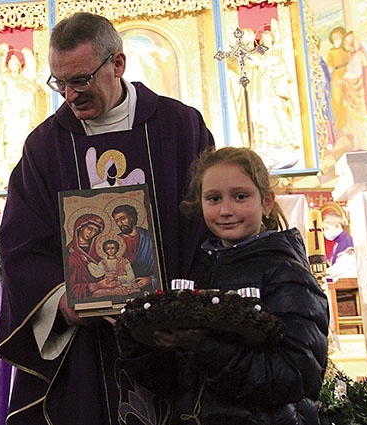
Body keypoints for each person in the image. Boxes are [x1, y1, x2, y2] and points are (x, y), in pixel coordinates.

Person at [0, 12, 214, 424]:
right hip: (86, 347)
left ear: (117, 64)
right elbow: (21, 244)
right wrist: (60, 299)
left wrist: (184, 306)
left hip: (177, 334)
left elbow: (206, 225)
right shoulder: (45, 147)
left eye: (80, 81)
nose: (70, 96)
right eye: (59, 83)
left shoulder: (180, 127)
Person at [118, 147, 329, 424]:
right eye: (213, 199)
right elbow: (173, 380)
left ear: (266, 202)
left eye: (240, 197)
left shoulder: (286, 273)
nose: (226, 210)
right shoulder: (200, 269)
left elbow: (297, 376)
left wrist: (205, 347)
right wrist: (136, 337)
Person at [112, 204, 158, 288]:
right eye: (117, 221)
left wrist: (150, 280)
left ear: (131, 217)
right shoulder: (115, 242)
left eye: (123, 219)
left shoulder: (149, 236)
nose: (120, 223)